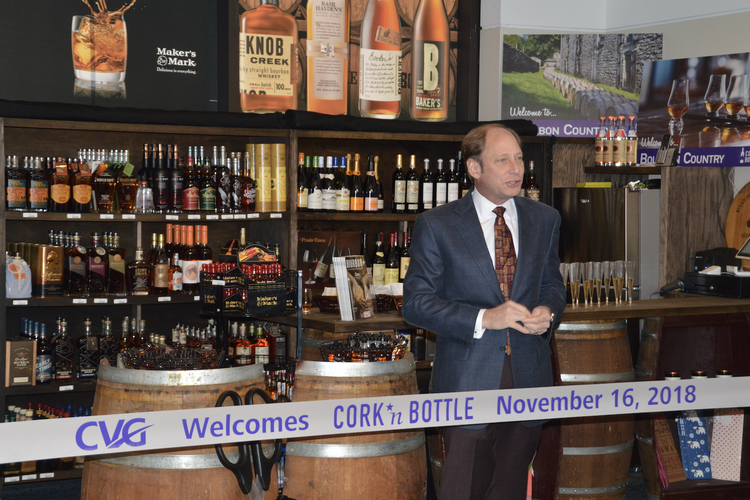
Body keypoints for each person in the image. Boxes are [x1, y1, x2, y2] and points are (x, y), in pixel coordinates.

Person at [402, 123, 566, 500]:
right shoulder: (437, 224)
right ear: (474, 169)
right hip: (467, 380)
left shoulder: (545, 219)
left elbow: (553, 286)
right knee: (464, 490)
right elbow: (415, 303)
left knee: (509, 489)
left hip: (528, 376)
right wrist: (483, 319)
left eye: (520, 159)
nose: (516, 169)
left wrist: (548, 311)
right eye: (503, 160)